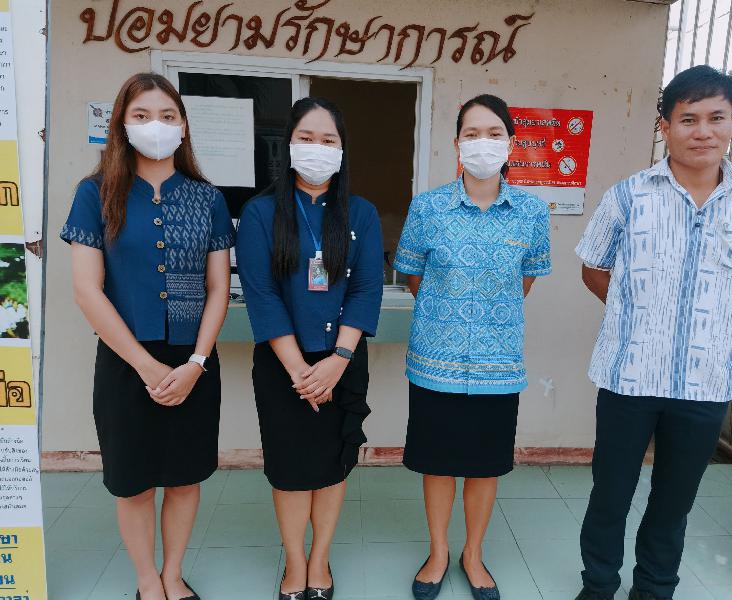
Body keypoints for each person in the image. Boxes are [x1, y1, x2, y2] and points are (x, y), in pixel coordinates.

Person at [573, 65, 732, 600]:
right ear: (665, 126)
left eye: (716, 117)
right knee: (610, 495)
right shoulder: (628, 196)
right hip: (628, 376)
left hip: (703, 382)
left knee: (674, 501)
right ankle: (598, 586)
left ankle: (654, 588)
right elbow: (593, 267)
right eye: (688, 119)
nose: (703, 131)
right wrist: (638, 314)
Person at [61, 72, 235, 600]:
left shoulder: (207, 199)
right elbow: (87, 290)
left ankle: (173, 573)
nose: (154, 125)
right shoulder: (95, 194)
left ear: (183, 126)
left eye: (167, 115)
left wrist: (197, 362)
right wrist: (145, 365)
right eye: (141, 115)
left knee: (184, 478)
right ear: (121, 124)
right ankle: (146, 580)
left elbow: (218, 288)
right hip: (124, 361)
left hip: (193, 362)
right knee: (133, 482)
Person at [394, 94, 552, 600]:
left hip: (497, 364)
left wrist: (486, 315)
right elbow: (413, 276)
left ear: (510, 143)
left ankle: (473, 553)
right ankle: (439, 551)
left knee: (485, 465)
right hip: (435, 359)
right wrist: (449, 310)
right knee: (438, 461)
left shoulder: (531, 211)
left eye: (494, 133)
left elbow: (525, 281)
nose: (483, 142)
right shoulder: (428, 207)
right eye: (472, 133)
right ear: (457, 143)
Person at [236, 97, 384, 600]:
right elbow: (262, 294)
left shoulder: (360, 213)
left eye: (328, 140)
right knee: (291, 471)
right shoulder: (260, 213)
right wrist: (300, 369)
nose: (317, 148)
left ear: (342, 150)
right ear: (289, 145)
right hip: (284, 366)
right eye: (306, 138)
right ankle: (295, 563)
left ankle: (320, 561)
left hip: (342, 361)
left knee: (333, 466)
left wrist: (338, 360)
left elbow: (366, 289)